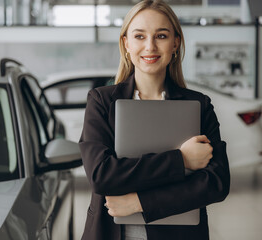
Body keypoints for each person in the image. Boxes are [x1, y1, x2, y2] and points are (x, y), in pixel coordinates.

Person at [78, 0, 230, 239]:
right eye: (139, 36)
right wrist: (181, 160)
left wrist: (140, 202)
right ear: (126, 44)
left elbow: (216, 183)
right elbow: (102, 175)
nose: (150, 46)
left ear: (175, 43)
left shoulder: (199, 105)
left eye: (161, 36)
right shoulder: (102, 102)